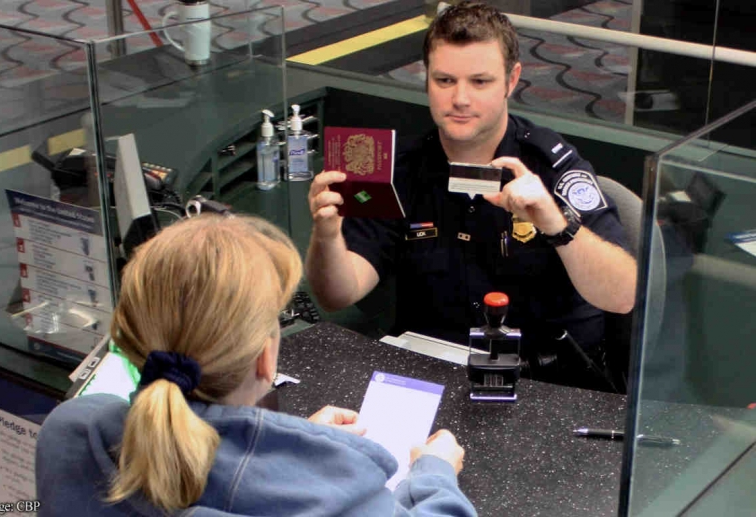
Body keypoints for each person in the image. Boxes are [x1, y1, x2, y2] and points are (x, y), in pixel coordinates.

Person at [35, 214, 476, 516]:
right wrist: (434, 473)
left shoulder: (73, 433)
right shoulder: (339, 493)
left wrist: (294, 446)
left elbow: (207, 466)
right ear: (266, 358)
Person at [306, 1, 637, 389]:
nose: (460, 99)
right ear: (427, 79)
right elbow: (338, 295)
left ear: (511, 81)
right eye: (445, 81)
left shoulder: (552, 167)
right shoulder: (403, 171)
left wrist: (556, 224)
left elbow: (623, 296)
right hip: (433, 375)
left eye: (480, 82)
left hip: (546, 384)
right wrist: (326, 237)